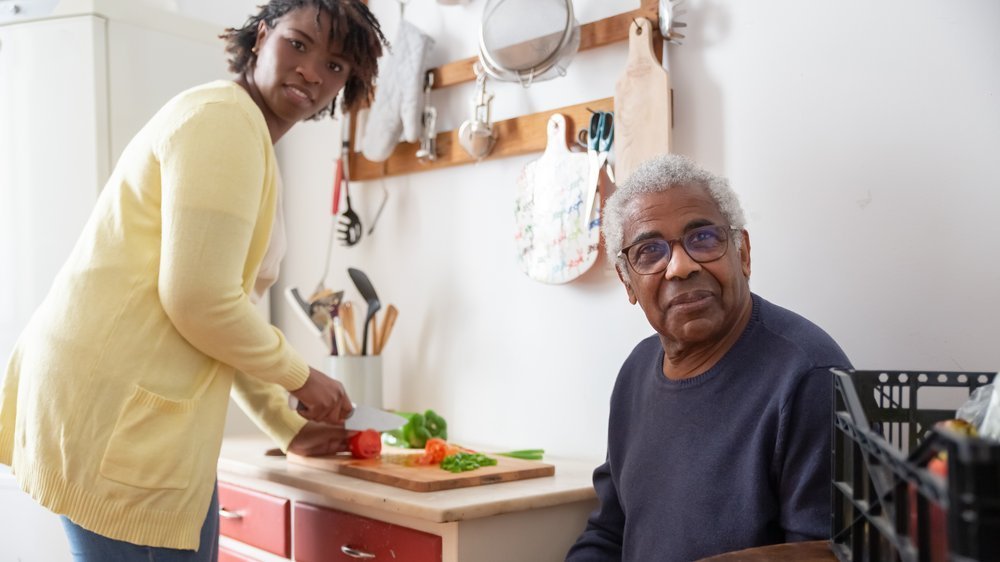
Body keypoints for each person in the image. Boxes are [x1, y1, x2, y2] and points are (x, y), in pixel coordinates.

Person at [0, 1, 387, 560]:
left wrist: (287, 425)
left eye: (335, 67)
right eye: (298, 44)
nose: (311, 72)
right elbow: (200, 302)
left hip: (120, 411)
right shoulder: (224, 121)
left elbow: (226, 315)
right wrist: (302, 379)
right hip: (118, 417)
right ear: (261, 38)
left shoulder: (245, 135)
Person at [566, 155, 852, 561]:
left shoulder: (810, 378)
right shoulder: (635, 372)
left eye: (703, 239)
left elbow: (824, 554)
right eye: (650, 251)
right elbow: (610, 532)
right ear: (627, 281)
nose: (680, 267)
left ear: (743, 253)